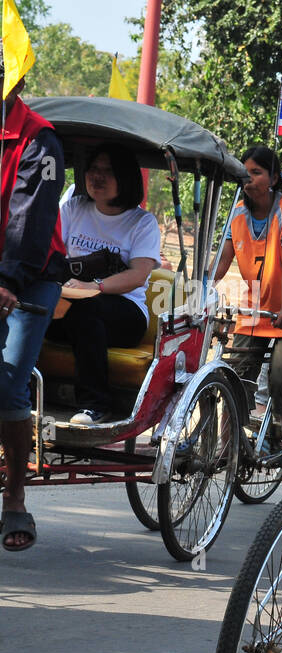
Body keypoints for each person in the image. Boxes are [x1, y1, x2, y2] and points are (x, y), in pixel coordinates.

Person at [45, 143, 161, 425]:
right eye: (94, 169)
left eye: (108, 171)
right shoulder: (73, 208)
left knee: (86, 310)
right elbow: (51, 251)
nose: (97, 176)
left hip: (124, 313)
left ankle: (95, 404)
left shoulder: (142, 222)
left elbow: (138, 275)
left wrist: (95, 286)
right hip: (68, 304)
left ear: (125, 177)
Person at [213, 146, 282, 455]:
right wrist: (199, 289)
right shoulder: (237, 214)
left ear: (273, 178)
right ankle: (228, 439)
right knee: (234, 372)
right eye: (245, 172)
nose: (248, 178)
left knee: (281, 375)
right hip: (255, 308)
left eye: (256, 172)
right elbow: (221, 263)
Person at [1, 75, 65, 552]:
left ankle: (15, 496)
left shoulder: (39, 140)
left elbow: (30, 221)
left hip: (30, 271)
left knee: (7, 383)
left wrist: (7, 281)